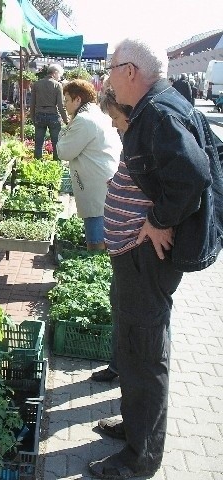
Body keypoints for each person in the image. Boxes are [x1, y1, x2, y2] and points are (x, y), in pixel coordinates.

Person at [89, 38, 223, 480]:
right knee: (132, 344)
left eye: (111, 70)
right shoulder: (156, 108)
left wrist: (159, 220)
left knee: (145, 351)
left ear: (131, 72)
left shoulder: (159, 113)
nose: (107, 78)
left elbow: (193, 173)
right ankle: (134, 425)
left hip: (148, 257)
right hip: (135, 256)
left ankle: (140, 459)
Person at [89, 88, 133, 382]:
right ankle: (118, 365)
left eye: (116, 117)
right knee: (119, 305)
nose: (114, 125)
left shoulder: (150, 134)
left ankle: (127, 374)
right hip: (123, 244)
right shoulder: (131, 137)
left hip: (137, 245)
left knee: (134, 318)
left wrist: (157, 222)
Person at [56, 79, 122, 251]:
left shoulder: (83, 120)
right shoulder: (99, 115)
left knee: (96, 243)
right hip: (104, 179)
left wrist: (63, 130)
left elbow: (64, 152)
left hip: (95, 184)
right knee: (103, 234)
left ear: (78, 100)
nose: (65, 105)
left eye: (67, 100)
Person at [29, 63, 68, 160]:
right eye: (59, 74)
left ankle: (37, 163)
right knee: (56, 143)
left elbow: (32, 103)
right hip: (53, 116)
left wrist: (33, 117)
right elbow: (60, 105)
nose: (60, 77)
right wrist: (66, 120)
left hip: (39, 115)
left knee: (38, 143)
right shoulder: (57, 85)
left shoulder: (36, 84)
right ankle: (56, 165)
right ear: (55, 73)